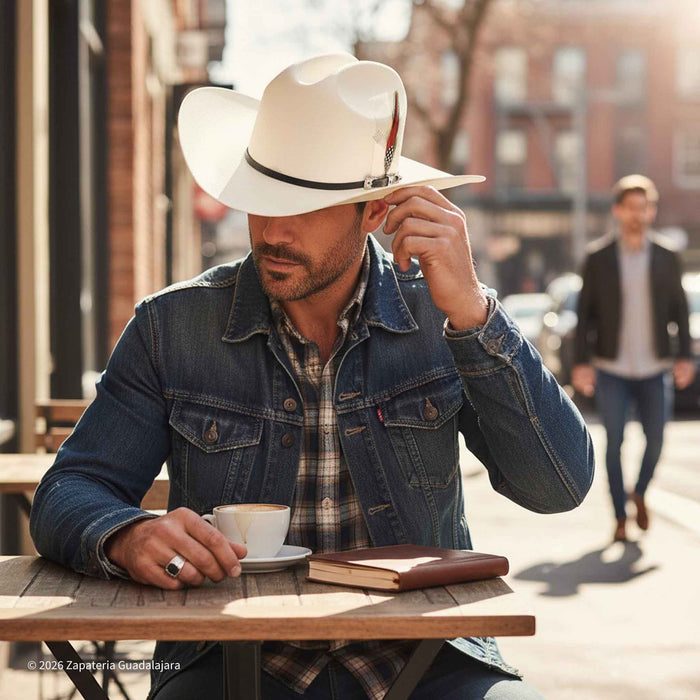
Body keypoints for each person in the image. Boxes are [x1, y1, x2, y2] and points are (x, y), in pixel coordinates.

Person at [31, 54, 594, 700]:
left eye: (303, 206)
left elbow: (559, 486)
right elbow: (68, 492)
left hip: (426, 662)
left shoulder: (442, 316)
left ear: (375, 211)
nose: (272, 229)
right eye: (260, 198)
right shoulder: (171, 328)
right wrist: (127, 535)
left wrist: (474, 315)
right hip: (230, 659)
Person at [572, 175, 695, 543]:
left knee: (656, 440)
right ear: (618, 211)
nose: (637, 215)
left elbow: (680, 311)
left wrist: (685, 356)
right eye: (630, 208)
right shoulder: (598, 257)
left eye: (644, 208)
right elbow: (585, 314)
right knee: (615, 442)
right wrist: (581, 363)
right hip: (612, 367)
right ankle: (619, 517)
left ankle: (639, 491)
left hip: (656, 365)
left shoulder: (668, 256)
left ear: (651, 211)